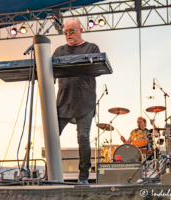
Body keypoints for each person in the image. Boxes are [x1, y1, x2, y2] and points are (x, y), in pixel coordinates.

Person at [53, 19, 100, 184]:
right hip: (63, 103)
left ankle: (83, 177)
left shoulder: (91, 48)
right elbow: (49, 74)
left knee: (83, 137)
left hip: (84, 103)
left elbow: (96, 70)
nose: (68, 35)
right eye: (65, 32)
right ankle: (51, 173)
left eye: (71, 31)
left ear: (81, 30)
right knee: (52, 136)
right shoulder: (59, 51)